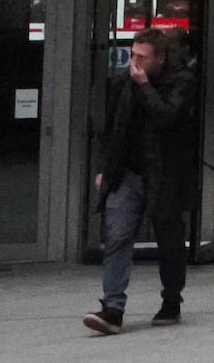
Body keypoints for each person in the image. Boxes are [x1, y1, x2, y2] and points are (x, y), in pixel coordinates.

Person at [82, 29, 197, 335]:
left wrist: (144, 86)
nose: (134, 63)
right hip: (128, 171)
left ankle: (171, 299)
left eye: (141, 57)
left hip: (164, 173)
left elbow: (167, 117)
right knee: (118, 237)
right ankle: (113, 308)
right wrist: (105, 167)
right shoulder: (125, 85)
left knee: (169, 241)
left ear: (160, 58)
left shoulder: (181, 82)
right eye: (132, 55)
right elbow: (111, 129)